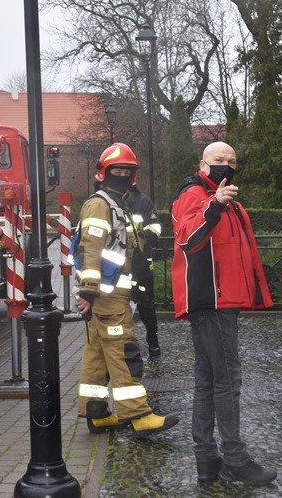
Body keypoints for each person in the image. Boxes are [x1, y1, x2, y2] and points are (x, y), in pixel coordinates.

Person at [171, 141, 276, 486]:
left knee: (208, 381)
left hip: (219, 303)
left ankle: (207, 461)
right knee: (227, 381)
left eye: (232, 161)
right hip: (212, 302)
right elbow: (188, 238)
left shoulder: (226, 199)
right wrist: (213, 205)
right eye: (219, 160)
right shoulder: (195, 194)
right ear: (203, 163)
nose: (226, 165)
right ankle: (235, 461)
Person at [74, 143, 179, 439]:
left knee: (96, 353)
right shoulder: (101, 204)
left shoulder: (118, 203)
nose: (121, 175)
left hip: (110, 293)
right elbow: (90, 249)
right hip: (107, 295)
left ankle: (96, 412)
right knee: (124, 352)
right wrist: (89, 292)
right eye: (116, 170)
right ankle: (138, 415)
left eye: (126, 171)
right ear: (103, 173)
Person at [128, 183, 162, 358]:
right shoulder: (108, 201)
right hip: (119, 267)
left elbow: (155, 229)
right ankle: (124, 345)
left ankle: (152, 340)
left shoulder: (143, 201)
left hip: (141, 266)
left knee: (147, 306)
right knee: (120, 306)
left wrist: (141, 240)